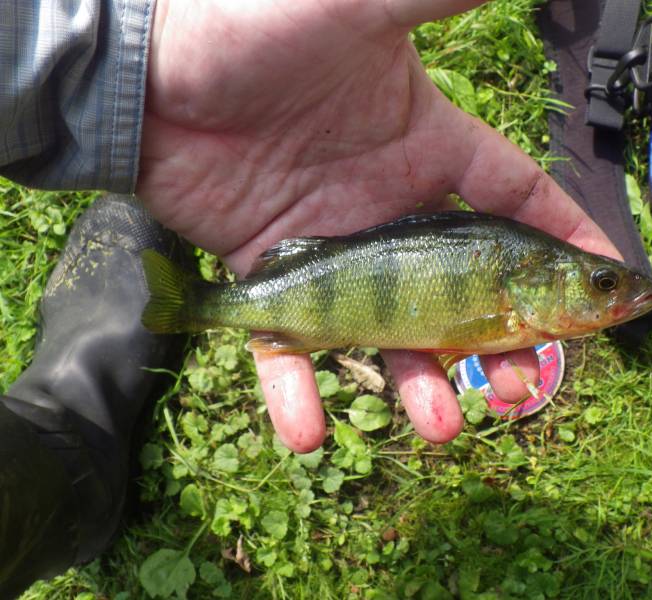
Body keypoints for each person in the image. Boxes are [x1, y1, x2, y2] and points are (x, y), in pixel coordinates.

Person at [0, 0, 620, 596]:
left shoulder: (514, 294)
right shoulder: (510, 298)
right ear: (539, 279)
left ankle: (60, 447)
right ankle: (84, 421)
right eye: (601, 284)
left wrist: (136, 56)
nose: (610, 292)